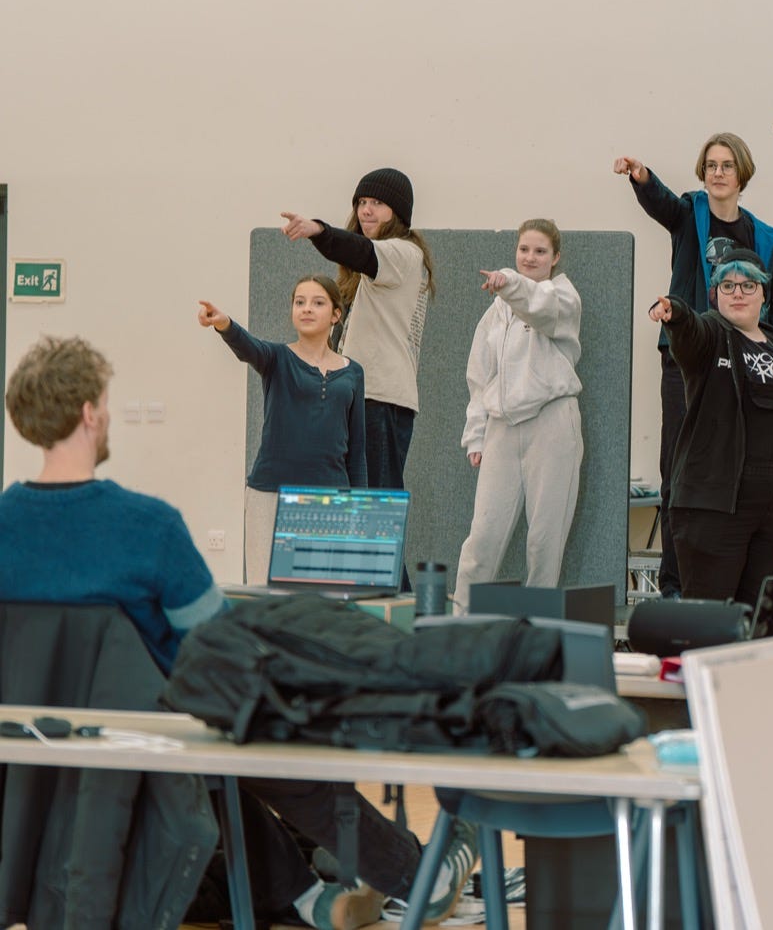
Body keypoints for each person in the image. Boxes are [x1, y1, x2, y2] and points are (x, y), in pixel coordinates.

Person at [0, 335, 477, 930]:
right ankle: (414, 875)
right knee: (260, 722)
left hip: (29, 746)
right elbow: (219, 642)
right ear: (90, 413)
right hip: (152, 739)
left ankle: (305, 892)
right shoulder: (148, 526)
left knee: (219, 738)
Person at [615, 136, 773, 597]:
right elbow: (662, 203)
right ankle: (674, 584)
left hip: (739, 366)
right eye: (711, 165)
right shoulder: (689, 214)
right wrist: (642, 176)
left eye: (727, 165)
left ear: (741, 174)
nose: (718, 173)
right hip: (686, 361)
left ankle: (726, 580)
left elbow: (771, 309)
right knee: (678, 467)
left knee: (733, 469)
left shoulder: (759, 235)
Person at [647, 248, 773, 605]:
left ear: (764, 293)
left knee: (749, 620)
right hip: (714, 509)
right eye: (727, 286)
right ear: (715, 295)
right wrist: (675, 313)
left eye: (748, 285)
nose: (738, 293)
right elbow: (690, 330)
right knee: (710, 621)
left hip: (770, 514)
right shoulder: (713, 334)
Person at [199, 274, 366, 583]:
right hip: (271, 494)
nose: (307, 308)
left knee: (321, 595)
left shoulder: (353, 372)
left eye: (317, 303)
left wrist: (359, 508)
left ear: (336, 314)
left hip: (330, 499)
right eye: (300, 302)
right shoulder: (276, 358)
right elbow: (247, 347)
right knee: (267, 594)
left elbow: (357, 449)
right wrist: (224, 324)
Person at [453, 219, 584, 611]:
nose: (530, 257)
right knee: (482, 538)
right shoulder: (497, 310)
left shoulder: (564, 297)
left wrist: (509, 282)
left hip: (552, 423)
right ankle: (460, 622)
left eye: (540, 251)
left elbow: (538, 307)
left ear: (555, 258)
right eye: (524, 249)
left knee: (544, 541)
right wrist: (476, 434)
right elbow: (480, 376)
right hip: (502, 428)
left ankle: (536, 628)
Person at [280, 167, 435, 496]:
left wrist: (317, 230)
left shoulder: (403, 253)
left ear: (397, 212)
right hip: (357, 394)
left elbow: (359, 250)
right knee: (350, 499)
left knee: (375, 500)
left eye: (377, 203)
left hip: (381, 397)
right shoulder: (368, 270)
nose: (366, 210)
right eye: (362, 202)